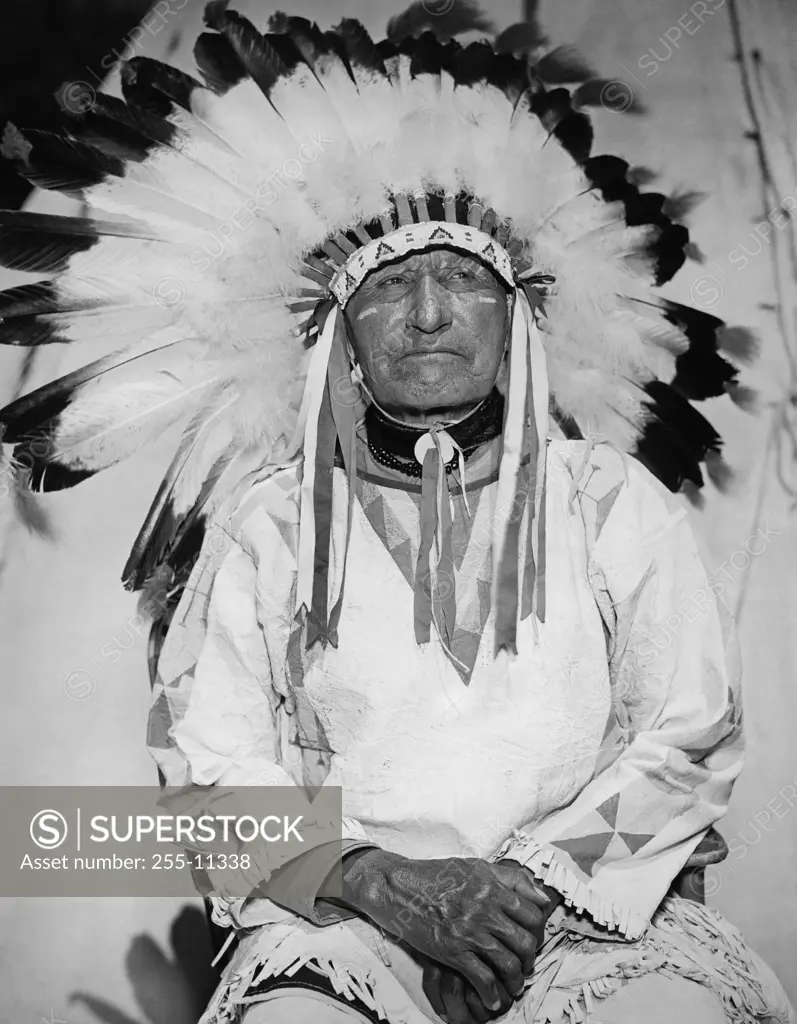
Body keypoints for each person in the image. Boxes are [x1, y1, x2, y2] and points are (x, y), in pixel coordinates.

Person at [0, 6, 793, 1024]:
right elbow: (210, 769)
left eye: (462, 280)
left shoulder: (607, 502)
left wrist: (534, 891)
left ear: (516, 323)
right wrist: (383, 884)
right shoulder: (269, 525)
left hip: (588, 917)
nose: (426, 315)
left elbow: (687, 737)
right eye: (390, 289)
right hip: (346, 921)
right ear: (340, 336)